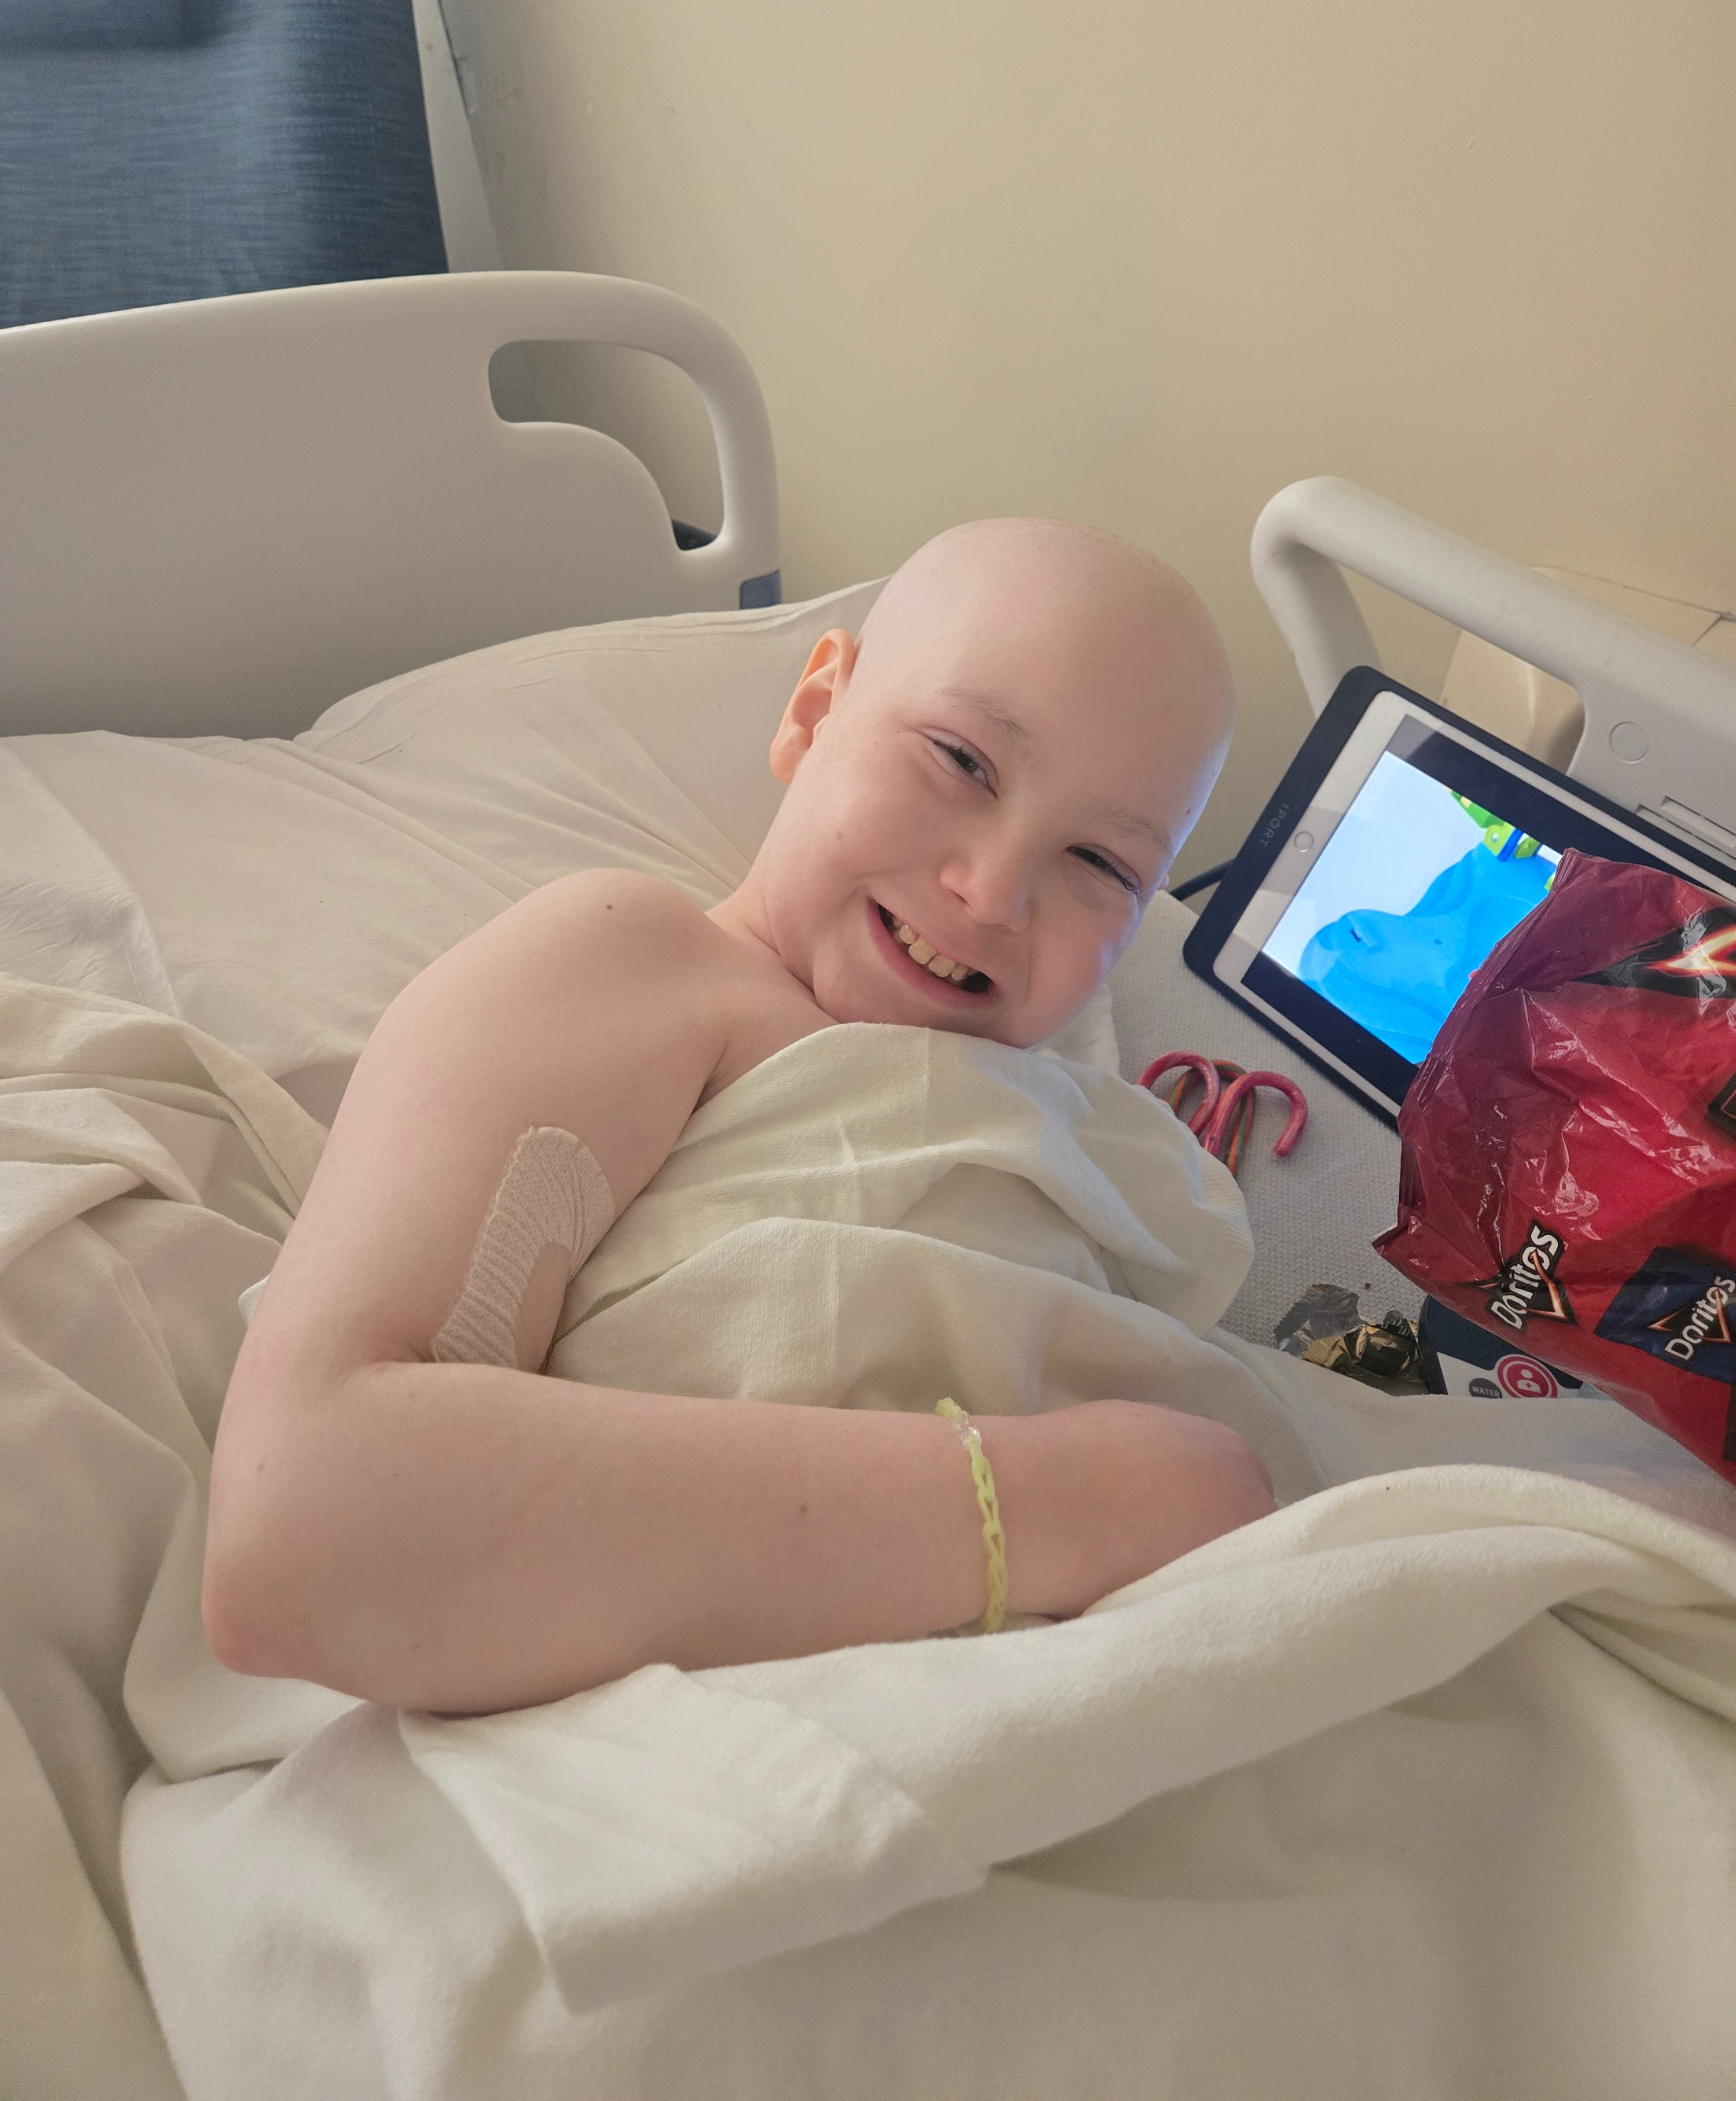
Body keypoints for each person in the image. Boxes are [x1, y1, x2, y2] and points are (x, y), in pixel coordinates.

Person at [204, 518, 1275, 1717]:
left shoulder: (1073, 1125)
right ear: (814, 714)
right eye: (961, 761)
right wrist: (1046, 1504)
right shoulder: (633, 962)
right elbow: (304, 1520)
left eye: (1102, 864)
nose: (991, 895)